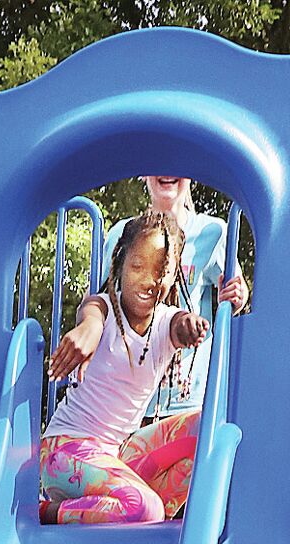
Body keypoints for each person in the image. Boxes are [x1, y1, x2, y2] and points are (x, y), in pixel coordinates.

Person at [40, 210, 210, 525]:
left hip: (118, 454)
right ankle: (47, 512)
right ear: (120, 265)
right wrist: (87, 331)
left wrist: (190, 325)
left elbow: (178, 324)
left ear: (175, 274)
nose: (148, 281)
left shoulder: (165, 322)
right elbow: (91, 313)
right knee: (144, 508)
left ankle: (141, 510)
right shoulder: (104, 308)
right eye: (137, 267)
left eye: (162, 270)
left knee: (208, 425)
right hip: (66, 453)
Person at [100, 176, 248, 420]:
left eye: (178, 164)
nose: (167, 171)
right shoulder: (123, 233)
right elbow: (103, 300)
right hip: (129, 395)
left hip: (186, 396)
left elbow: (235, 295)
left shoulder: (211, 232)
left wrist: (236, 297)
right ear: (144, 175)